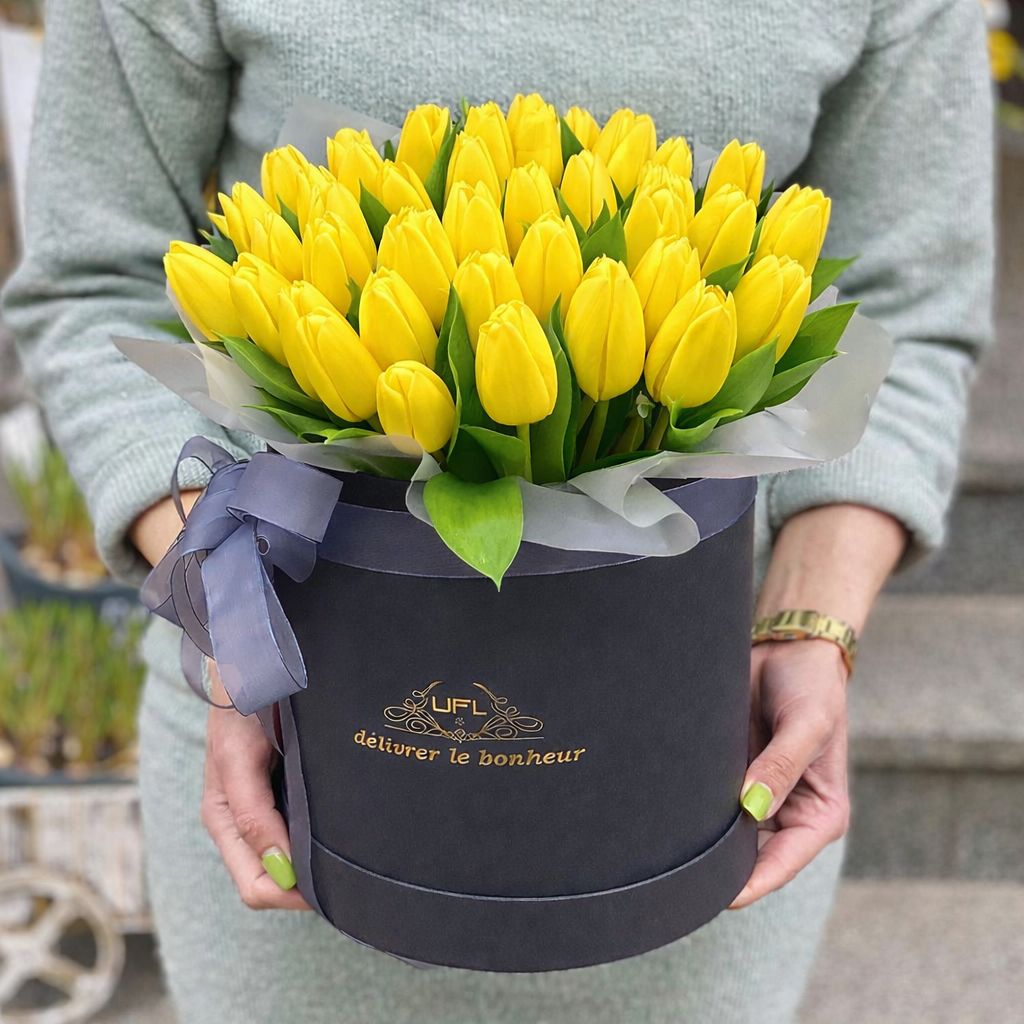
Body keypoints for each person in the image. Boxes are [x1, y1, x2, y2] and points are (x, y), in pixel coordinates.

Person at [2, 1, 993, 1021]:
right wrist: (232, 621)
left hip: (685, 753)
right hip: (296, 734)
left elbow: (906, 309)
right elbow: (95, 281)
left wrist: (810, 623)